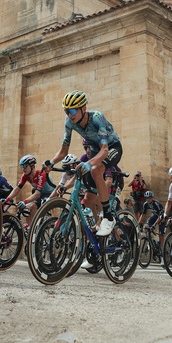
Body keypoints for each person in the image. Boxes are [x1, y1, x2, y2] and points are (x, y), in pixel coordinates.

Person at [48, 91, 122, 236]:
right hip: (95, 150)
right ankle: (96, 239)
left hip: (111, 147)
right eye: (67, 111)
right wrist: (51, 162)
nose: (70, 114)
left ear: (83, 109)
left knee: (95, 170)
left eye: (73, 110)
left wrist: (89, 164)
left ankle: (108, 217)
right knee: (88, 199)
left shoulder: (97, 118)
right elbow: (63, 151)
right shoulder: (69, 122)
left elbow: (105, 150)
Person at [6, 155, 55, 227]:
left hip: (50, 194)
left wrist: (24, 201)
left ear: (32, 165)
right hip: (41, 195)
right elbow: (17, 188)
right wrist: (7, 199)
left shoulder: (41, 174)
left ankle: (37, 227)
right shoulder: (25, 175)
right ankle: (30, 229)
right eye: (21, 166)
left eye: (25, 166)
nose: (23, 169)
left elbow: (36, 194)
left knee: (32, 205)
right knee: (26, 208)